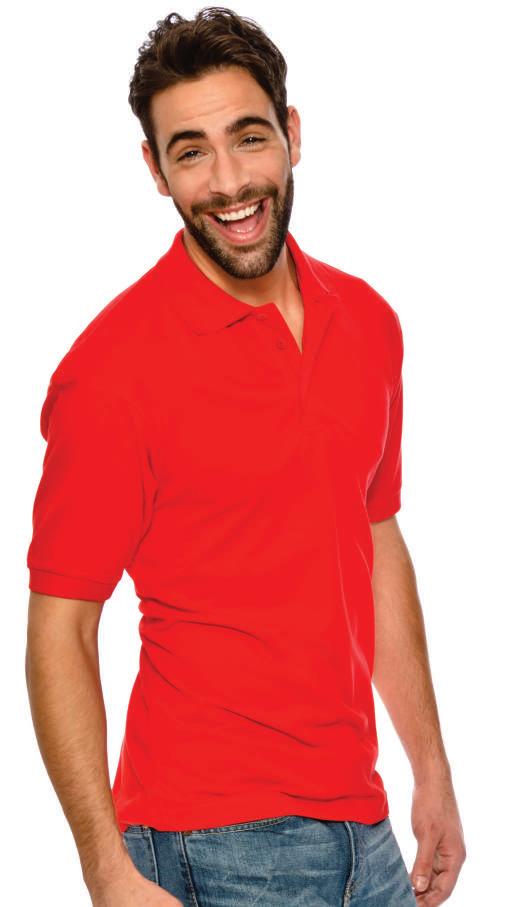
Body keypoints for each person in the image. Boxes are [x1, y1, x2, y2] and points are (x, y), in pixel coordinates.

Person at [25, 7, 466, 906]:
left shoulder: (367, 323)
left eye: (249, 137)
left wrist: (432, 769)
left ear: (293, 134)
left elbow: (373, 538)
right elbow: (60, 630)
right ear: (155, 170)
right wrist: (105, 868)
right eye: (191, 152)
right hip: (206, 841)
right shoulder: (111, 372)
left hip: (366, 830)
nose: (229, 182)